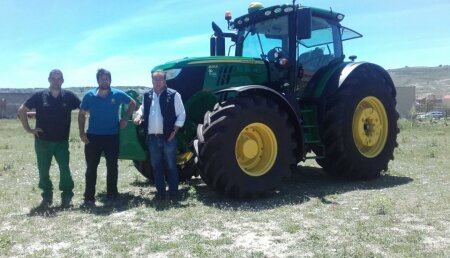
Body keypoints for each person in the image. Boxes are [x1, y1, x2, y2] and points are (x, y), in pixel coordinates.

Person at [17, 69, 81, 208]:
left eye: (59, 79)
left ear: (63, 81)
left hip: (62, 141)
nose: (56, 81)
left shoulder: (69, 96)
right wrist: (29, 129)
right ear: (49, 80)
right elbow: (22, 110)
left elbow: (84, 108)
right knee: (43, 169)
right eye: (53, 78)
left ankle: (67, 196)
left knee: (65, 169)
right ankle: (47, 197)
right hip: (43, 141)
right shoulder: (40, 96)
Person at [78, 68, 136, 207]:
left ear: (110, 80)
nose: (104, 80)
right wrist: (81, 133)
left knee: (112, 167)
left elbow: (132, 103)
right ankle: (89, 198)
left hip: (112, 136)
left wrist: (125, 118)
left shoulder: (117, 94)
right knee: (91, 167)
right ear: (98, 80)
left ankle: (112, 195)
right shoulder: (89, 96)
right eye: (102, 78)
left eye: (107, 78)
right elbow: (81, 114)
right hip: (93, 137)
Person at [134, 70, 185, 200]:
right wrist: (138, 116)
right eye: (155, 79)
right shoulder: (147, 95)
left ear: (165, 81)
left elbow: (181, 114)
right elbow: (142, 108)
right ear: (152, 81)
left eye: (160, 79)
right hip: (152, 138)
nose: (158, 82)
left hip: (169, 137)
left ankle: (173, 192)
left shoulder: (173, 95)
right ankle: (160, 193)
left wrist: (174, 131)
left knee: (171, 165)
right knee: (156, 166)